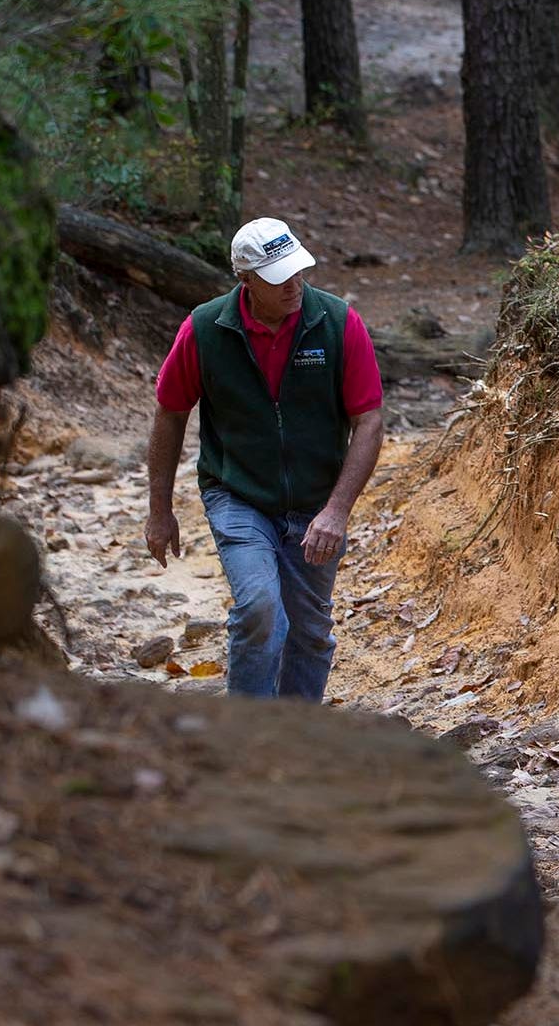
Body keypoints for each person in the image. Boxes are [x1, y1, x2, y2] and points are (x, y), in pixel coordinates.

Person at [143, 218, 385, 702]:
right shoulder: (205, 330)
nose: (294, 284)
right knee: (259, 608)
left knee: (309, 629)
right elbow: (170, 413)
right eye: (279, 277)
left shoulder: (337, 322)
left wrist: (336, 511)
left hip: (316, 501)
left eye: (298, 270)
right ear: (246, 280)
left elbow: (370, 421)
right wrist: (159, 510)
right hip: (238, 493)